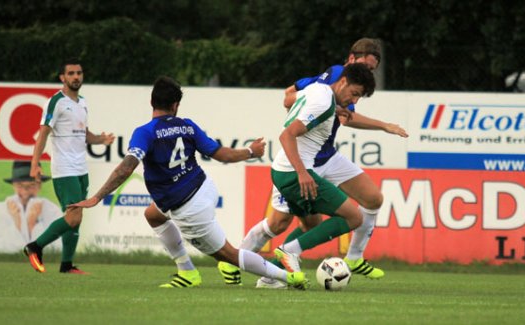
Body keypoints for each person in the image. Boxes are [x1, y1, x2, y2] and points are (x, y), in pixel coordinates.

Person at [68, 76, 309, 289]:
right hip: (204, 188)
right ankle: (187, 272)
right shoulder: (187, 125)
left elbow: (127, 167)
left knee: (229, 255)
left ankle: (290, 277)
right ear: (175, 105)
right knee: (153, 214)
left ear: (152, 102)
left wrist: (97, 197)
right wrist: (250, 151)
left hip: (188, 208)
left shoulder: (145, 132)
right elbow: (221, 155)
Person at [218, 38, 408, 288]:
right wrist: (378, 124)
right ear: (351, 60)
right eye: (365, 67)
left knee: (370, 200)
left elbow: (340, 114)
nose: (367, 74)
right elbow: (288, 101)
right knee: (280, 223)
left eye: (372, 70)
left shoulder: (334, 88)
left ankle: (351, 258)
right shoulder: (334, 79)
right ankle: (236, 260)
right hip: (302, 163)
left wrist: (335, 110)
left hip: (325, 156)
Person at [23, 58, 115, 274]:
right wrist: (34, 164)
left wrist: (100, 140)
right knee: (73, 216)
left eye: (79, 73)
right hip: (64, 169)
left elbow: (84, 134)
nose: (76, 77)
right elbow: (43, 134)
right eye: (71, 73)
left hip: (81, 168)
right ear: (62, 78)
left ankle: (66, 265)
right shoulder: (55, 102)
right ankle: (34, 247)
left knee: (76, 218)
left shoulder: (82, 102)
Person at [0, 161, 62, 253]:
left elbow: (58, 249)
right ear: (13, 185)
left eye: (31, 185)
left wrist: (33, 225)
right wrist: (17, 224)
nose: (25, 191)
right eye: (20, 185)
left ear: (39, 185)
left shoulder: (53, 210)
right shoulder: (0, 209)